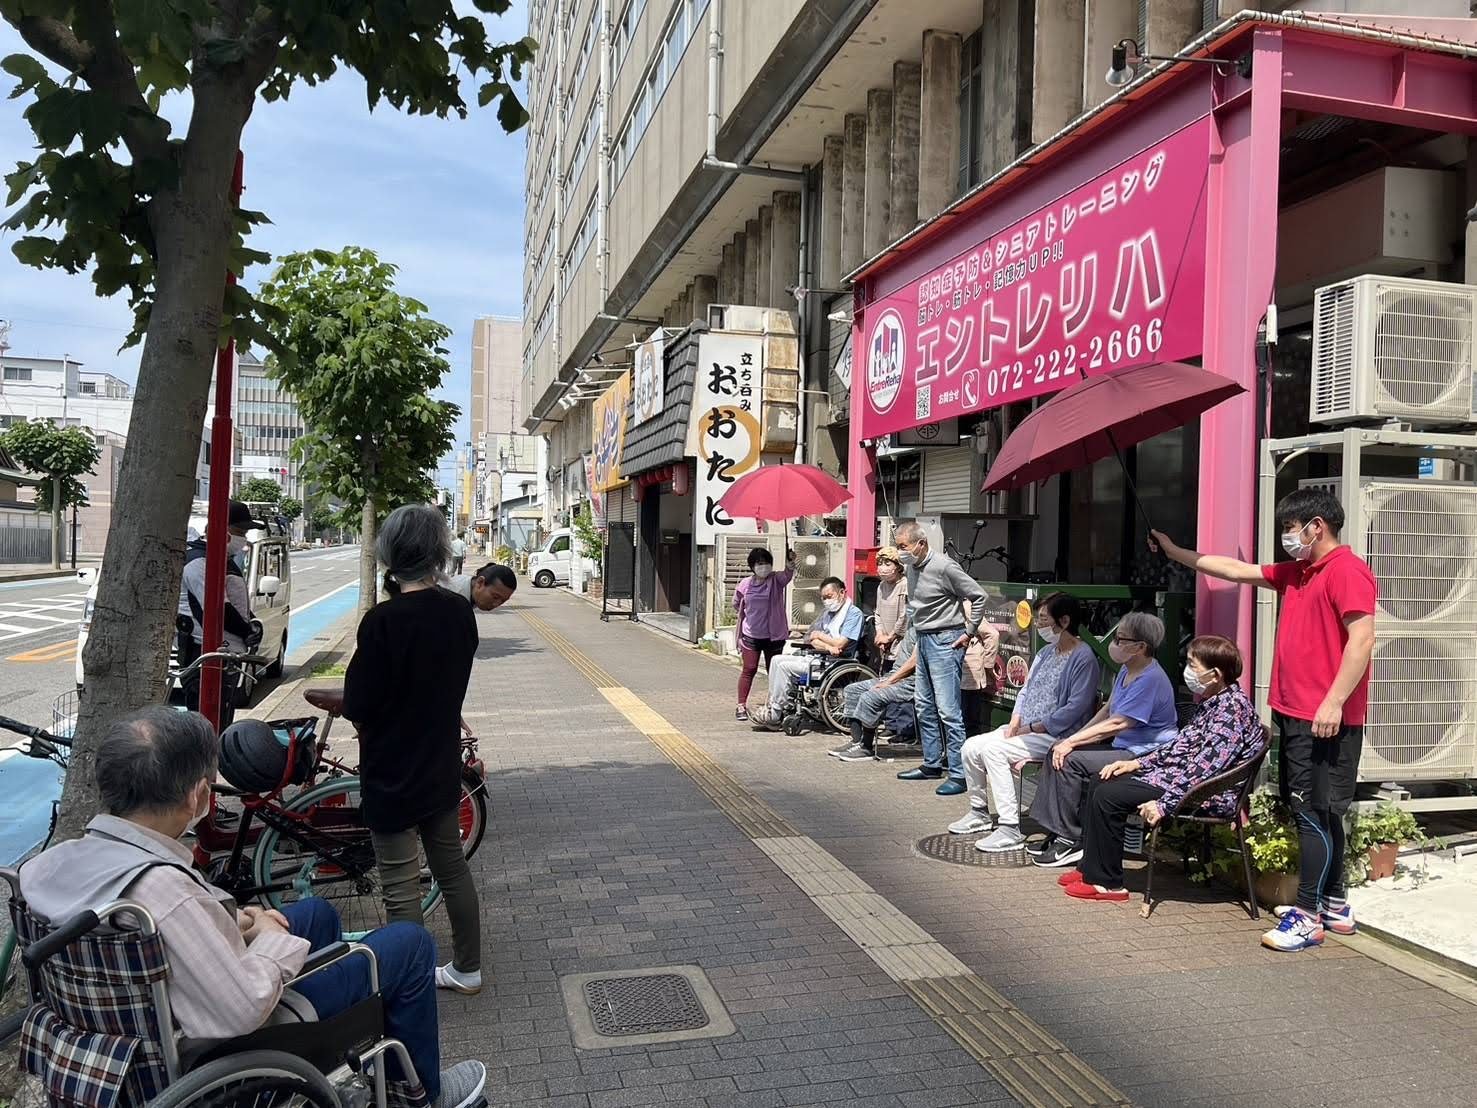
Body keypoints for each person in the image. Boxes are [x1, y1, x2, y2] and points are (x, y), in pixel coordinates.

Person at [18, 708, 488, 1108]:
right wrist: (269, 937)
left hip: (116, 1048)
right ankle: (421, 1095)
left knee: (317, 915)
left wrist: (235, 920)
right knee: (409, 944)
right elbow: (243, 1009)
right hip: (215, 1053)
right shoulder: (165, 893)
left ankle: (343, 1060)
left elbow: (179, 931)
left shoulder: (43, 869)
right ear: (196, 796)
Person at [1152, 487, 1376, 951]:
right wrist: (1175, 552)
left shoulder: (1347, 571)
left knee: (1312, 813)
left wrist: (1333, 702)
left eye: (1290, 529)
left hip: (1323, 718)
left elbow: (1362, 640)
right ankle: (1334, 903)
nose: (1286, 538)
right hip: (1297, 712)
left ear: (1316, 526)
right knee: (1321, 811)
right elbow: (1234, 570)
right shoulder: (1299, 572)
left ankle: (1308, 914)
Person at [344, 504, 482, 993]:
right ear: (438, 551)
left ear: (389, 554)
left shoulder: (383, 621)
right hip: (440, 761)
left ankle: (411, 986)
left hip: (391, 768)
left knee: (401, 883)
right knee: (452, 869)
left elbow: (359, 701)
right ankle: (467, 969)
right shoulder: (459, 611)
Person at [1066, 635, 1268, 902]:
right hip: (1177, 778)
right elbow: (1179, 746)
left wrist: (1165, 804)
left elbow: (1204, 770)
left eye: (1193, 665)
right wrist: (1136, 763)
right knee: (1101, 779)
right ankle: (1090, 868)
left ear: (1215, 674)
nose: (1188, 671)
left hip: (1203, 793)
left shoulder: (1230, 711)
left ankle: (1108, 883)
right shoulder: (1213, 701)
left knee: (1108, 796)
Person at [950, 593, 1101, 851]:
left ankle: (1009, 827)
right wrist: (1015, 720)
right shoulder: (1045, 652)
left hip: (1056, 734)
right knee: (970, 747)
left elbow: (1076, 708)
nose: (1038, 625)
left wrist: (1033, 728)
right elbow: (1025, 691)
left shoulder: (1083, 657)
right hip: (1026, 728)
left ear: (1064, 621)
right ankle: (979, 812)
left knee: (993, 750)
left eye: (1044, 619)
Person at [1027, 610, 1178, 868]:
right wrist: (1073, 738)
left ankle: (1070, 838)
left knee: (1070, 761)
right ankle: (1057, 829)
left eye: (1121, 639)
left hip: (1144, 753)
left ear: (1141, 647)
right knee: (1057, 750)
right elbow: (1108, 710)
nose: (1115, 644)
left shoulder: (1151, 678)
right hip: (1123, 745)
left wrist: (1072, 743)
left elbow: (1119, 723)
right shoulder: (1127, 669)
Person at [891, 520, 989, 797]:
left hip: (946, 639)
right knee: (923, 705)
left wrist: (969, 632)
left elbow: (979, 596)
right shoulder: (912, 567)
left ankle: (959, 773)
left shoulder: (945, 566)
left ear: (921, 544)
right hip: (922, 638)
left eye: (904, 546)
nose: (901, 552)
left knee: (948, 710)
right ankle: (931, 763)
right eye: (898, 547)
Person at [178, 500, 264, 728]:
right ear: (219, 529)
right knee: (206, 726)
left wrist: (253, 623)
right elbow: (218, 609)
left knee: (222, 721)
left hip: (225, 653)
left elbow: (234, 604)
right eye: (239, 532)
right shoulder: (198, 562)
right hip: (204, 653)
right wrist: (246, 631)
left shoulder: (221, 559)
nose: (243, 538)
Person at [751, 576, 864, 730]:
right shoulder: (827, 614)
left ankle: (776, 713)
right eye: (823, 598)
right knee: (776, 660)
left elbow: (840, 644)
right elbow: (812, 639)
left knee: (784, 667)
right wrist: (827, 644)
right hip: (821, 655)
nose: (826, 601)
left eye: (829, 596)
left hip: (836, 662)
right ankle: (774, 705)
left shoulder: (854, 614)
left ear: (842, 593)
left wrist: (820, 636)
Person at [827, 625, 918, 762]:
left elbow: (913, 662)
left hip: (911, 681)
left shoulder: (925, 631)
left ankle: (866, 747)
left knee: (871, 696)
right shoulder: (912, 627)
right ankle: (857, 741)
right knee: (852, 690)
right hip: (894, 676)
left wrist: (889, 681)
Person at [733, 546, 797, 721]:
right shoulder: (745, 584)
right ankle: (741, 705)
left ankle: (775, 705)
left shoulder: (776, 580)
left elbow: (788, 574)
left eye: (767, 563)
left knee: (774, 671)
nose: (764, 567)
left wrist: (790, 562)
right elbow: (737, 603)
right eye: (759, 564)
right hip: (751, 635)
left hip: (774, 636)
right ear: (752, 566)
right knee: (749, 669)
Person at [872, 546, 909, 669]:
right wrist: (879, 634)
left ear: (898, 567)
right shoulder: (881, 586)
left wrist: (890, 637)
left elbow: (904, 616)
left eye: (887, 564)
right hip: (883, 641)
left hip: (900, 642)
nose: (882, 568)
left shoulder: (905, 585)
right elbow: (878, 612)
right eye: (880, 564)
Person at [446, 562, 518, 611]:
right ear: (480, 583)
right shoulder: (452, 599)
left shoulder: (469, 585)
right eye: (495, 597)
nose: (496, 604)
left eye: (503, 601)